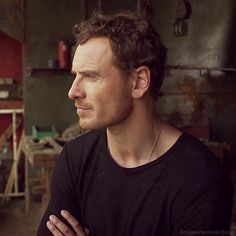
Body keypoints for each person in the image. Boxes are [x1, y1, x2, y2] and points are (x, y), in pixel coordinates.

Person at [37, 11, 232, 236]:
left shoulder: (199, 179)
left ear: (139, 82)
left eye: (91, 76)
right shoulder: (75, 160)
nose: (73, 92)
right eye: (75, 75)